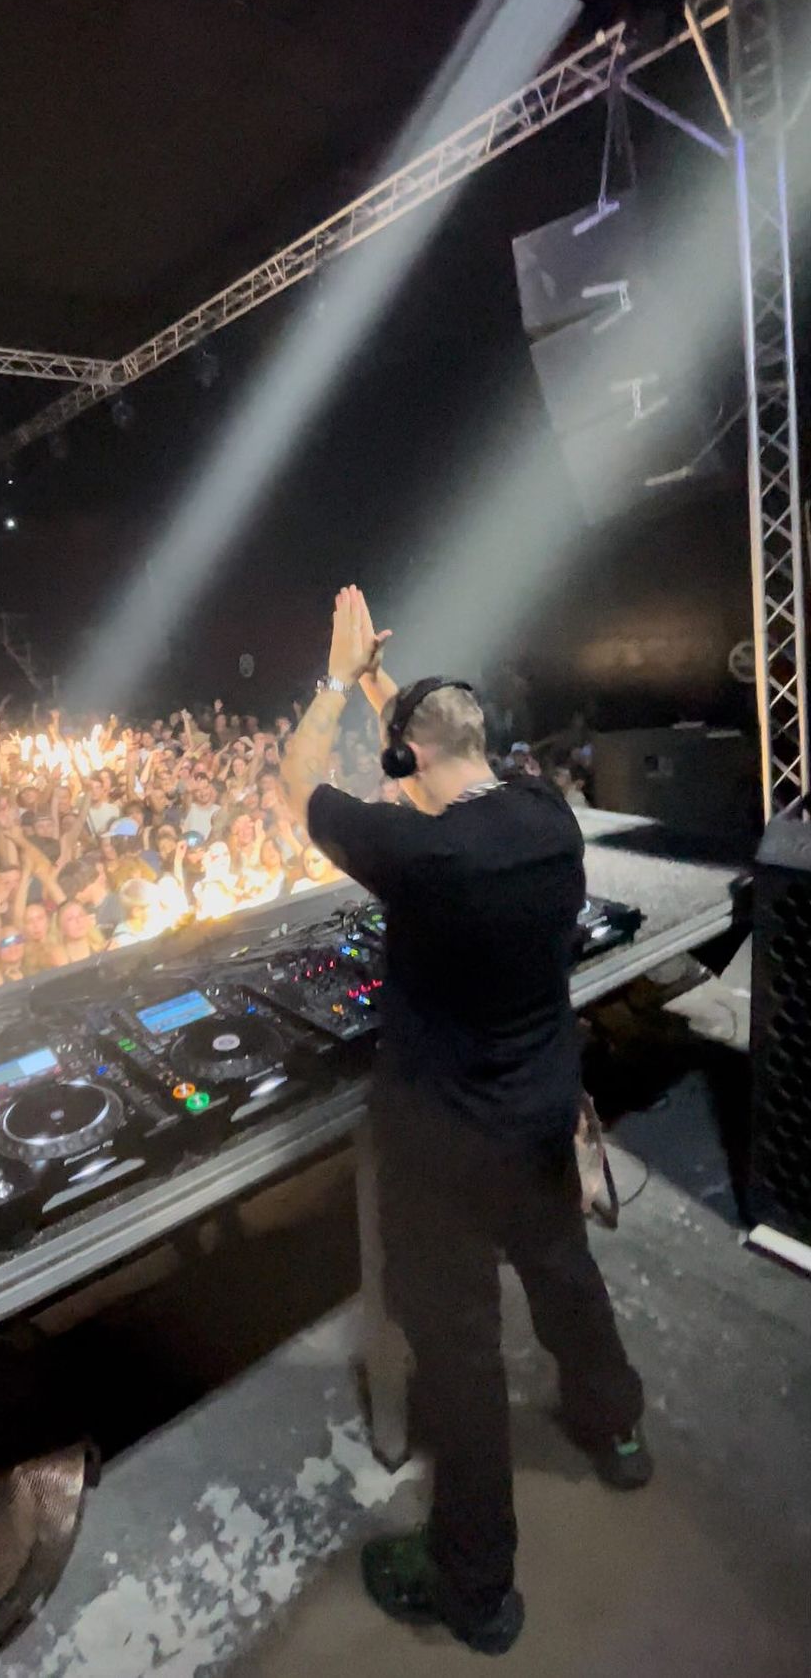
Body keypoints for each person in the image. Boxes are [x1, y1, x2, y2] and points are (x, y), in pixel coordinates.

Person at [281, 586, 647, 1656]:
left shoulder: (419, 854)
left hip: (444, 1148)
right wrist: (390, 692)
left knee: (461, 1357)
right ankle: (616, 1426)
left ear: (405, 760)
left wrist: (337, 678)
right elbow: (443, 745)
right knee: (565, 1273)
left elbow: (297, 781)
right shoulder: (545, 811)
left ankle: (474, 1586)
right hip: (541, 1118)